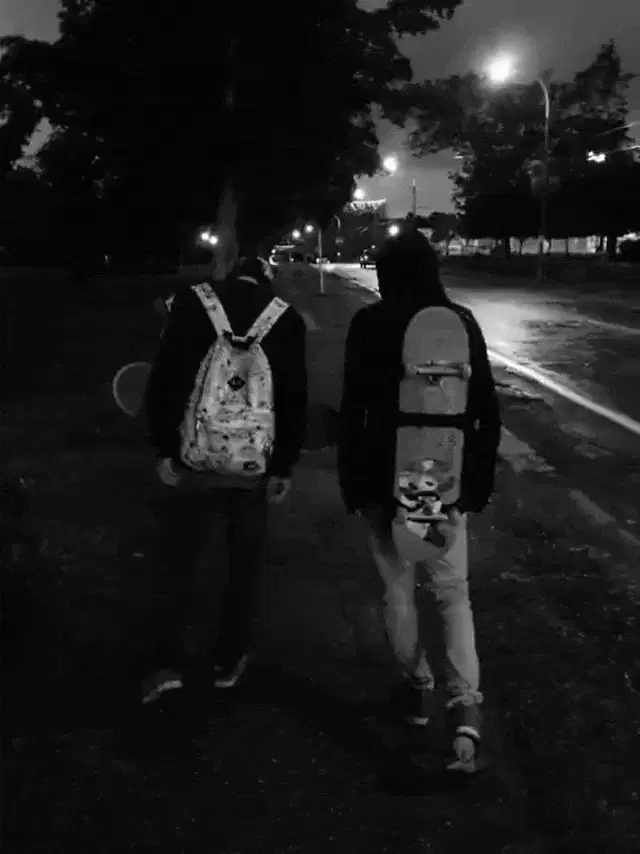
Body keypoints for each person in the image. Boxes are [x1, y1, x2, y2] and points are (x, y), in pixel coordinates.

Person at [337, 229, 501, 773]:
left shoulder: (369, 323)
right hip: (442, 479)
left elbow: (353, 411)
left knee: (398, 592)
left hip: (382, 481)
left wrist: (353, 484)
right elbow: (485, 412)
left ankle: (417, 689)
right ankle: (465, 710)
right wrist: (473, 487)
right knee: (452, 594)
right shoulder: (460, 324)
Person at [141, 254, 307, 705]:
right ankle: (228, 660)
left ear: (229, 276)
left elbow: (166, 381)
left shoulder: (192, 305)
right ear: (267, 281)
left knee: (179, 562)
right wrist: (283, 466)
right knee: (243, 569)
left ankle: (167, 664)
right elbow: (293, 400)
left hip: (194, 462)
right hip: (251, 470)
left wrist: (164, 448)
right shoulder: (286, 319)